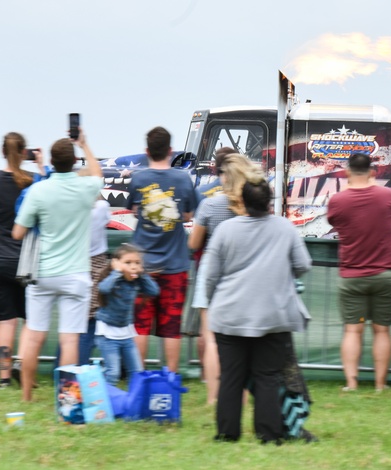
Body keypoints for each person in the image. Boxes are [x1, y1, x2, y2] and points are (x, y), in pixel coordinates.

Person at [205, 177, 312, 443]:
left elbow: (209, 275)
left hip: (229, 315)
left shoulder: (226, 230)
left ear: (241, 201)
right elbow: (303, 264)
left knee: (231, 376)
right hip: (272, 316)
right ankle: (269, 433)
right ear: (269, 202)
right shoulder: (284, 228)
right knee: (268, 376)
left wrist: (211, 301)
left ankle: (227, 433)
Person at [12, 131, 103, 401]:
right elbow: (97, 174)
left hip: (42, 274)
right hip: (76, 274)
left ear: (51, 161)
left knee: (33, 337)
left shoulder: (39, 190)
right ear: (74, 161)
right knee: (70, 340)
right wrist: (85, 144)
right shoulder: (85, 187)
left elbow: (17, 233)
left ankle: (27, 395)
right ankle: (68, 399)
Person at [127, 126, 199, 373]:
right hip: (175, 265)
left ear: (147, 151)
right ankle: (170, 379)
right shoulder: (182, 179)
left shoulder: (138, 179)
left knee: (140, 326)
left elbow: (134, 211)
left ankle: (139, 377)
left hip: (141, 266)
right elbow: (189, 214)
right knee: (171, 328)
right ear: (171, 150)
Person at [327, 152, 391, 392]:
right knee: (381, 330)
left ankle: (351, 383)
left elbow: (334, 222)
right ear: (373, 172)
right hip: (385, 273)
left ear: (347, 172)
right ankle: (380, 384)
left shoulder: (338, 200)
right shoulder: (387, 196)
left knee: (352, 329)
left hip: (352, 275)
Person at [188, 151, 250, 405]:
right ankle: (243, 395)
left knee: (212, 338)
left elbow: (193, 243)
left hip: (212, 274)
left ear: (224, 176)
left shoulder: (210, 205)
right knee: (243, 340)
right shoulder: (251, 205)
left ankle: (214, 397)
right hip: (243, 275)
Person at [0, 133, 40, 388]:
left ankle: (4, 378)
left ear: (2, 151)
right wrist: (39, 166)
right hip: (24, 258)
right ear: (24, 151)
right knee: (30, 318)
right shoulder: (31, 181)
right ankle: (21, 363)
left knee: (4, 320)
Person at [95, 243, 156, 386]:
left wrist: (142, 274)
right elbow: (103, 288)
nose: (133, 266)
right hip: (107, 335)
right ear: (116, 264)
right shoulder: (113, 279)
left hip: (127, 334)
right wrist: (117, 272)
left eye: (137, 263)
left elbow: (154, 291)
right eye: (128, 263)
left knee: (136, 371)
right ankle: (106, 403)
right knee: (113, 373)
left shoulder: (136, 281)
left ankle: (134, 403)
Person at [78, 197, 112, 366]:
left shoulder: (72, 207)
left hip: (73, 263)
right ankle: (80, 367)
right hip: (95, 266)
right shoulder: (101, 207)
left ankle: (64, 366)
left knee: (72, 325)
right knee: (89, 323)